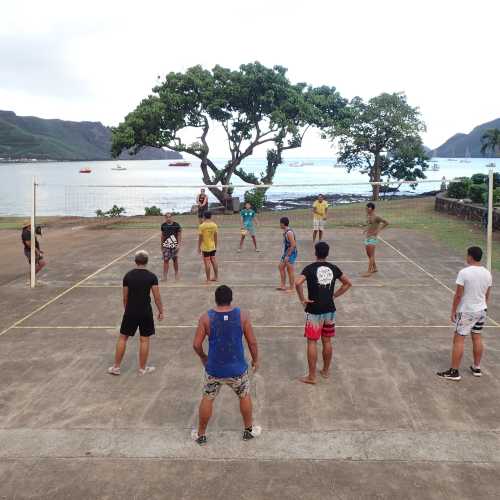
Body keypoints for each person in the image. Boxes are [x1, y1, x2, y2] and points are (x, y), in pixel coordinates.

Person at [192, 285, 260, 445]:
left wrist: (203, 357)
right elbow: (252, 342)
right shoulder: (243, 316)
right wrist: (255, 359)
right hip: (237, 369)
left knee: (208, 398)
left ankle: (201, 435)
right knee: (244, 396)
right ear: (231, 299)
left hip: (214, 369)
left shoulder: (206, 318)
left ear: (216, 299)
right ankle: (248, 431)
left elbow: (196, 344)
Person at [295, 242, 352, 384]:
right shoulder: (333, 268)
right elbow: (348, 283)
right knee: (327, 340)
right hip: (329, 309)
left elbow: (297, 283)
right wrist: (334, 295)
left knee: (312, 341)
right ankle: (325, 371)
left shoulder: (309, 268)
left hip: (314, 310)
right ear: (327, 253)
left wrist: (303, 299)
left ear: (315, 252)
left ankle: (312, 376)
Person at [437, 246, 492, 381]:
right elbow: (487, 294)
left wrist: (453, 311)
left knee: (458, 339)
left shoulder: (464, 273)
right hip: (481, 310)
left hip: (467, 311)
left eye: (467, 255)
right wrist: (482, 307)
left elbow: (458, 295)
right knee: (477, 337)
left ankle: (454, 371)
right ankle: (477, 367)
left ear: (470, 256)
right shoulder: (487, 273)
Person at [108, 250, 164, 376]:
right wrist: (161, 311)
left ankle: (116, 367)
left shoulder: (128, 276)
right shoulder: (151, 277)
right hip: (145, 312)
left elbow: (125, 297)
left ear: (135, 261)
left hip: (130, 311)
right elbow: (157, 297)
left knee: (123, 338)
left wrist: (127, 310)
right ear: (147, 261)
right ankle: (142, 368)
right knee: (144, 340)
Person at [362, 202, 389, 277]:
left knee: (371, 255)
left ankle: (369, 272)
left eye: (367, 208)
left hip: (373, 237)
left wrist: (379, 230)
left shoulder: (376, 217)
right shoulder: (368, 215)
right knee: (369, 254)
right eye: (366, 208)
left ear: (371, 208)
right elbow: (369, 224)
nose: (366, 209)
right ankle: (375, 268)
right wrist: (366, 229)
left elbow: (386, 222)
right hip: (367, 236)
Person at [277, 217, 298, 292]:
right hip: (287, 252)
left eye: (280, 223)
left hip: (291, 252)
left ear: (283, 224)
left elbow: (293, 245)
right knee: (280, 267)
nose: (279, 225)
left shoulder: (289, 232)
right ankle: (283, 285)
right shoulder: (285, 232)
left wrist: (288, 255)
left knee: (290, 270)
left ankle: (292, 288)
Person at [160, 212, 182, 281]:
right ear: (165, 218)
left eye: (169, 217)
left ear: (172, 217)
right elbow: (162, 236)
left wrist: (178, 245)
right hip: (166, 245)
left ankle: (176, 274)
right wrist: (162, 246)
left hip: (174, 245)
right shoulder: (163, 225)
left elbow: (179, 235)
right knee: (165, 260)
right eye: (167, 217)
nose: (168, 218)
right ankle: (165, 276)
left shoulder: (176, 225)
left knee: (175, 260)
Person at [198, 211, 219, 283]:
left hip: (205, 246)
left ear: (204, 216)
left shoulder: (202, 226)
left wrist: (199, 247)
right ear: (211, 216)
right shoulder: (214, 225)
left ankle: (208, 279)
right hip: (212, 245)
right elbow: (216, 236)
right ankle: (216, 277)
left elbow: (200, 237)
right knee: (213, 260)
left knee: (207, 262)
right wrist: (215, 245)